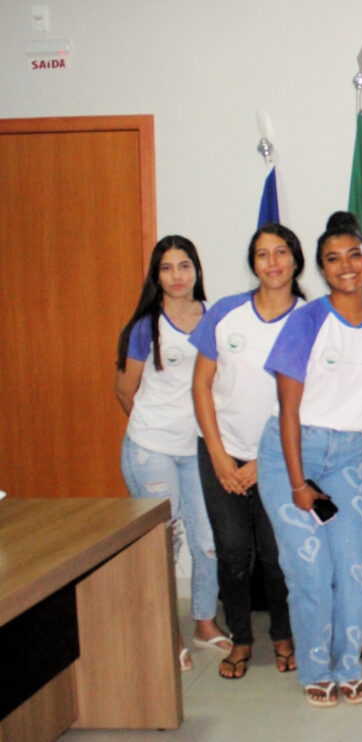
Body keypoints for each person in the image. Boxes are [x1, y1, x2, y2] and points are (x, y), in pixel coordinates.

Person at [258, 212, 362, 708]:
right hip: (291, 454)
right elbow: (288, 409)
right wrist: (299, 483)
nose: (346, 266)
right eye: (332, 259)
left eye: (354, 255)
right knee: (310, 569)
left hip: (349, 459)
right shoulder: (307, 321)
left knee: (358, 566)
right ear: (321, 268)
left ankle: (349, 666)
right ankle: (316, 669)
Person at [190, 224, 306, 678]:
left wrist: (264, 461)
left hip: (280, 457)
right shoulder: (224, 312)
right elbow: (201, 386)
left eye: (281, 253)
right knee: (234, 553)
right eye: (262, 254)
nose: (272, 262)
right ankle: (240, 639)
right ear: (252, 263)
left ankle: (282, 635)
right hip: (221, 450)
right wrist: (220, 456)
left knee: (279, 557)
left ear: (295, 260)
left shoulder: (310, 319)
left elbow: (311, 402)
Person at [115, 235, 231, 672]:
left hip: (199, 450)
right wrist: (157, 427)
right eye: (167, 268)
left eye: (185, 266)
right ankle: (164, 634)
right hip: (152, 450)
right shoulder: (148, 324)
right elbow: (125, 390)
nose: (177, 276)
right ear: (156, 275)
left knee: (208, 542)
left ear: (197, 270)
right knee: (165, 543)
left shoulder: (215, 317)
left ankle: (204, 623)